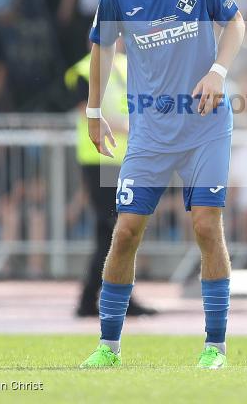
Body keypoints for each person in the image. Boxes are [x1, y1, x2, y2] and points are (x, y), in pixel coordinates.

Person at [79, 0, 245, 370]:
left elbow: (235, 23)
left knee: (206, 227)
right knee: (126, 230)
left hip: (205, 126)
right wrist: (94, 112)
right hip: (150, 130)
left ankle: (215, 347)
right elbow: (102, 51)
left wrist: (217, 71)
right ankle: (108, 348)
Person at [65, 48, 156, 318]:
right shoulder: (85, 68)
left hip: (126, 159)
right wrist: (130, 126)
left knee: (112, 232)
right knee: (118, 229)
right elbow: (87, 111)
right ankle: (111, 297)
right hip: (101, 159)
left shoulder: (129, 64)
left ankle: (95, 298)